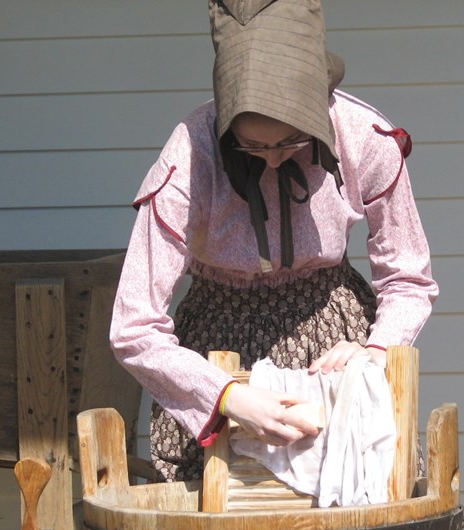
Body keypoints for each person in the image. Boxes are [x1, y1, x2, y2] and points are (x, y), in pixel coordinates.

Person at [110, 0, 439, 482]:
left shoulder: (364, 139)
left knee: (357, 497)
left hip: (333, 342)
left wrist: (375, 351)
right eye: (251, 146)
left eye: (289, 143)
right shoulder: (192, 156)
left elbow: (408, 276)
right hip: (214, 344)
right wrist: (227, 397)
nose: (270, 161)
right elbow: (133, 326)